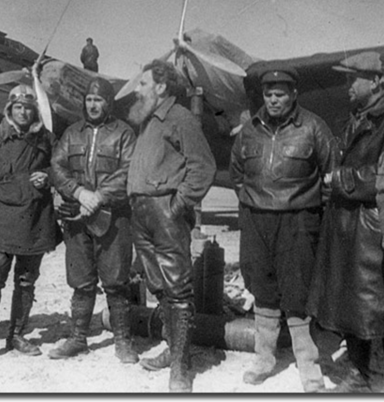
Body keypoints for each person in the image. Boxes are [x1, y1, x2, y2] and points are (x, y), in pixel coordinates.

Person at [230, 67, 337, 393]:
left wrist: (307, 211)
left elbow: (330, 177)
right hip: (256, 220)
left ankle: (308, 366)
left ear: (293, 94)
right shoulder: (249, 130)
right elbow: (237, 175)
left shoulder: (314, 128)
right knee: (262, 288)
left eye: (280, 94)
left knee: (298, 291)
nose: (273, 100)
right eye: (268, 94)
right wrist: (255, 205)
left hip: (298, 220)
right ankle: (264, 359)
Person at [126, 59, 216, 393]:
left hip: (166, 212)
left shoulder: (181, 118)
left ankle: (181, 366)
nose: (136, 89)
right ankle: (171, 348)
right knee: (158, 285)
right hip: (141, 212)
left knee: (178, 290)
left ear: (161, 87)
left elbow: (203, 167)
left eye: (143, 83)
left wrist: (177, 207)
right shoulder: (146, 121)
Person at [0, 84, 60, 362]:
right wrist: (4, 172)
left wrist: (48, 176)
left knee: (26, 282)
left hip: (34, 218)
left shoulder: (46, 138)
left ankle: (16, 335)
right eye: (18, 107)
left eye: (28, 107)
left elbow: (63, 166)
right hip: (1, 218)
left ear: (34, 110)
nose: (23, 112)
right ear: (10, 109)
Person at [308, 51, 384, 392]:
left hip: (371, 227)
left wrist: (339, 180)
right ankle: (358, 372)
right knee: (353, 303)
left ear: (378, 81)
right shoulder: (357, 117)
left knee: (372, 305)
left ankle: (374, 377)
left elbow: (379, 178)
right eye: (345, 78)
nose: (347, 85)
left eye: (354, 78)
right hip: (348, 224)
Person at [49, 77, 138, 364]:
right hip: (77, 218)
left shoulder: (124, 133)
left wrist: (98, 197)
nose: (93, 105)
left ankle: (123, 341)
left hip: (113, 218)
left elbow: (128, 171)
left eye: (98, 100)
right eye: (89, 99)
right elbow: (56, 166)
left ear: (108, 103)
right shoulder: (72, 133)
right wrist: (78, 192)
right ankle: (78, 338)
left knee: (116, 282)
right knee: (81, 282)